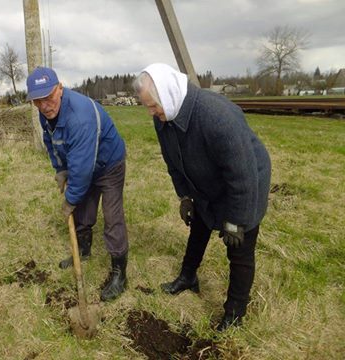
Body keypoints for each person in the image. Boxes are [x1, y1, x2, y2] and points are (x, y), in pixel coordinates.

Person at [133, 63, 271, 331]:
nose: (151, 112)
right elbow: (173, 162)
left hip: (246, 181)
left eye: (152, 106)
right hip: (205, 178)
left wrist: (236, 222)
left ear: (169, 95)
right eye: (147, 106)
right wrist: (185, 196)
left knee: (239, 249)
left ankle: (235, 312)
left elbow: (242, 176)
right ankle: (188, 277)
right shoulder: (163, 117)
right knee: (200, 224)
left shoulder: (217, 116)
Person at [26, 66, 129, 301]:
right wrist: (60, 169)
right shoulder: (46, 112)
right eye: (37, 101)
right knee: (84, 209)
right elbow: (51, 141)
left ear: (60, 89)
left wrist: (70, 200)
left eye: (49, 97)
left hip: (108, 164)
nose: (44, 106)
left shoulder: (79, 116)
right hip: (83, 162)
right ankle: (82, 251)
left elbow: (82, 171)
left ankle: (120, 274)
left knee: (112, 218)